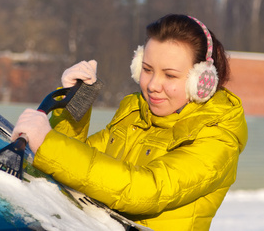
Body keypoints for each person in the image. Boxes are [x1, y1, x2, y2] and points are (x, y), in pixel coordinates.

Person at [12, 14, 248, 231]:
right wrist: (75, 101)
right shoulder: (135, 114)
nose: (153, 85)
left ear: (202, 81)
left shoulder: (218, 138)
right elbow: (75, 169)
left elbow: (143, 191)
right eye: (147, 69)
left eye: (170, 75)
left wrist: (47, 142)